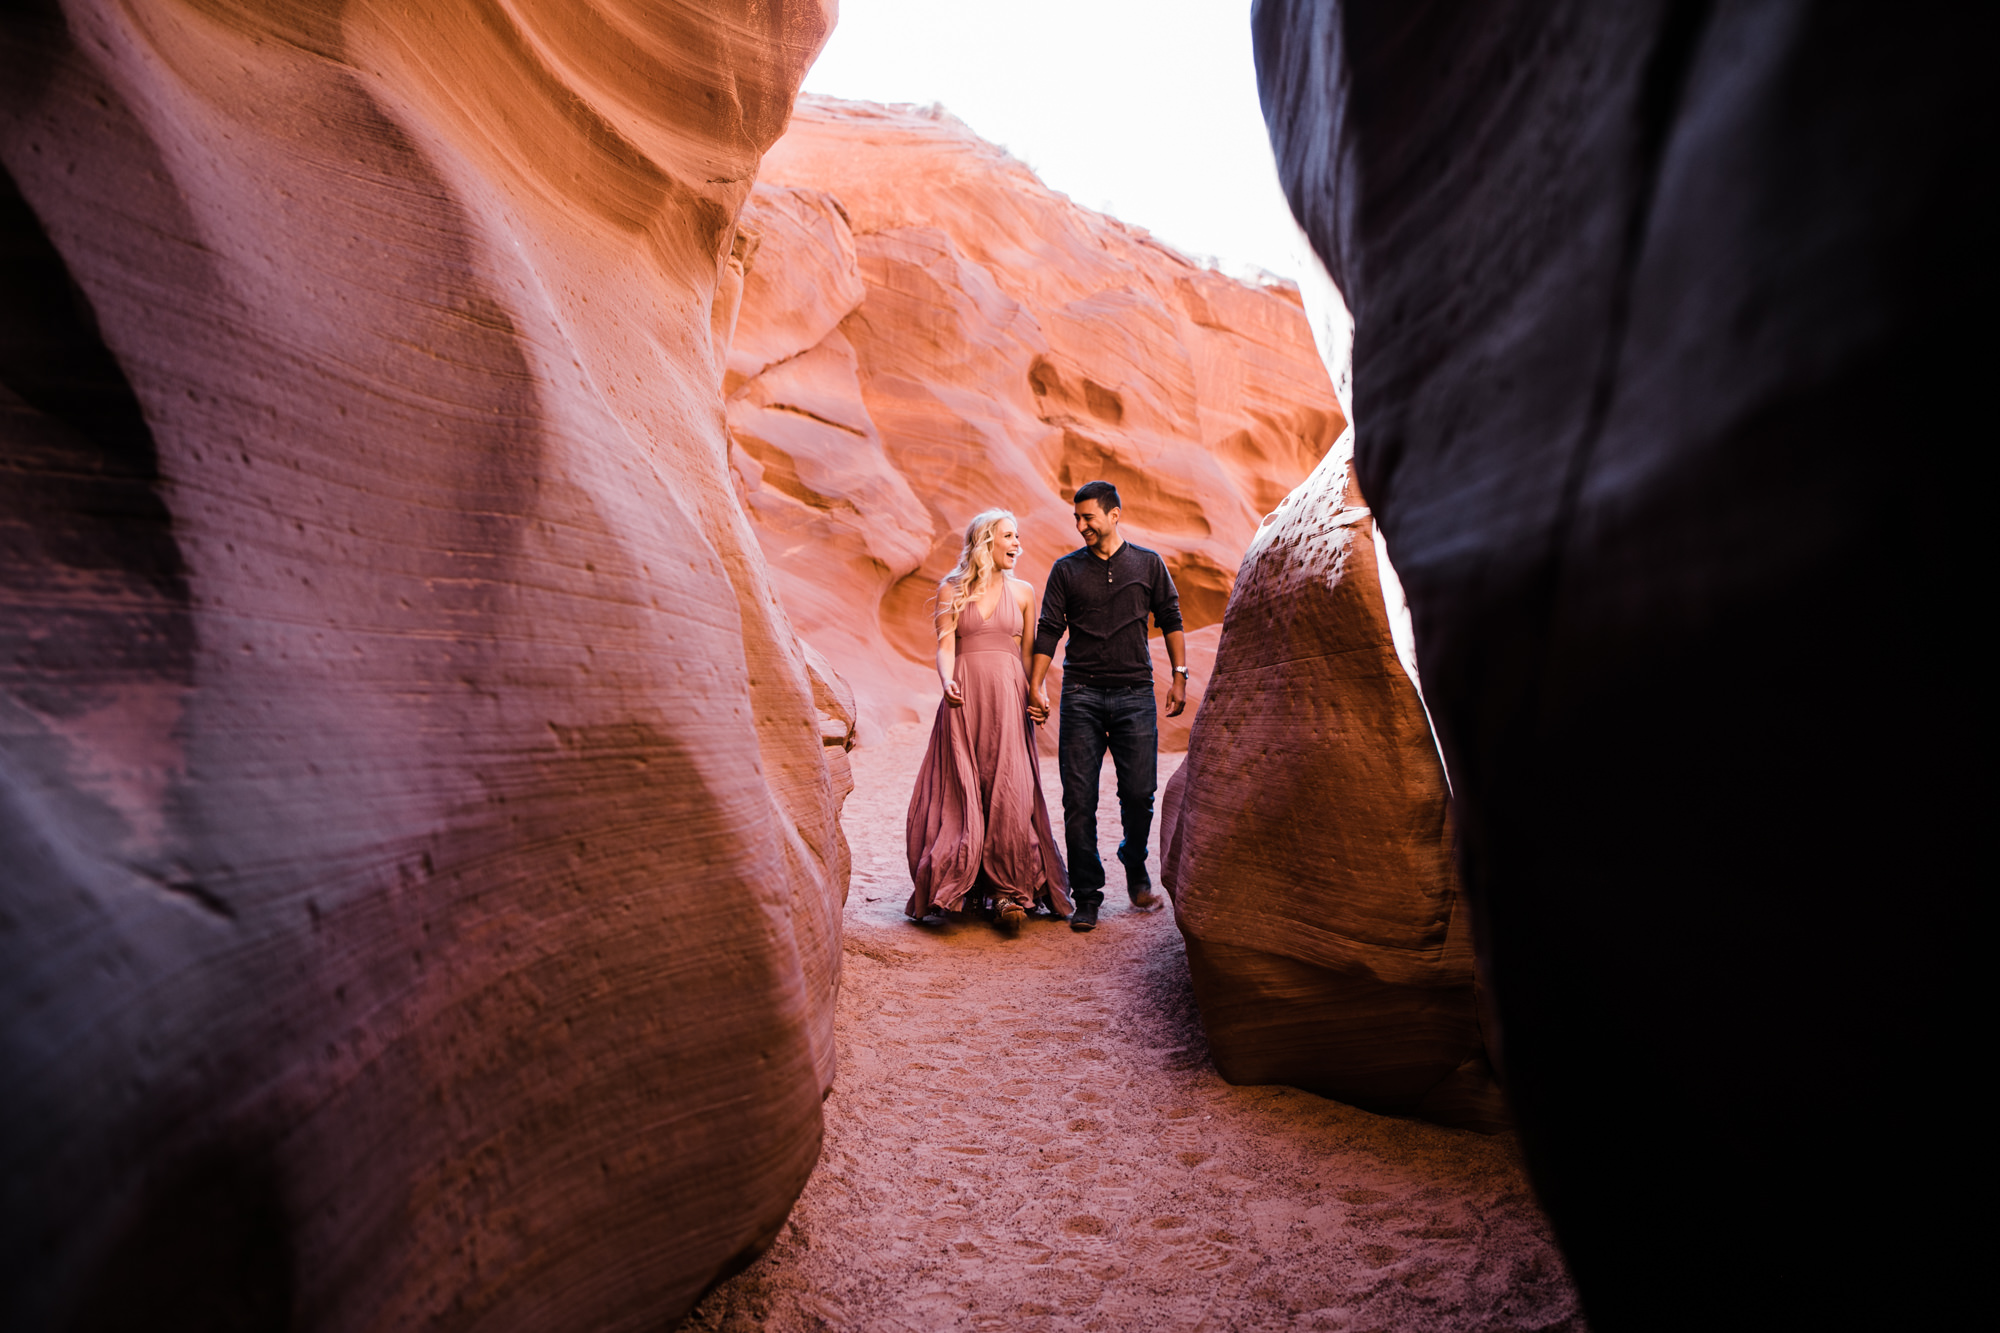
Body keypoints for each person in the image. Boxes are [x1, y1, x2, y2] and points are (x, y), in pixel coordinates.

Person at [1029, 481, 1187, 932]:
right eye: (1076, 519)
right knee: (1079, 800)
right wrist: (1036, 685)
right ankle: (1088, 895)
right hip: (1081, 695)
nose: (1081, 527)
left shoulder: (1148, 564)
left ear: (1114, 515)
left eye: (1088, 518)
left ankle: (1133, 861)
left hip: (1136, 694)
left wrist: (1180, 675)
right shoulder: (1066, 571)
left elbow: (1171, 617)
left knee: (1138, 794)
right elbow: (1047, 630)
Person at [905, 509, 1073, 932]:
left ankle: (1008, 891)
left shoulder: (1023, 592)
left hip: (1009, 696)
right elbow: (945, 647)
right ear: (986, 542)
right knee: (962, 788)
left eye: (1018, 537)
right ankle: (958, 886)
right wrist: (946, 680)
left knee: (1010, 791)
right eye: (1009, 537)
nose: (1017, 544)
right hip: (964, 696)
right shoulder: (951, 589)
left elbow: (1032, 653)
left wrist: (1039, 692)